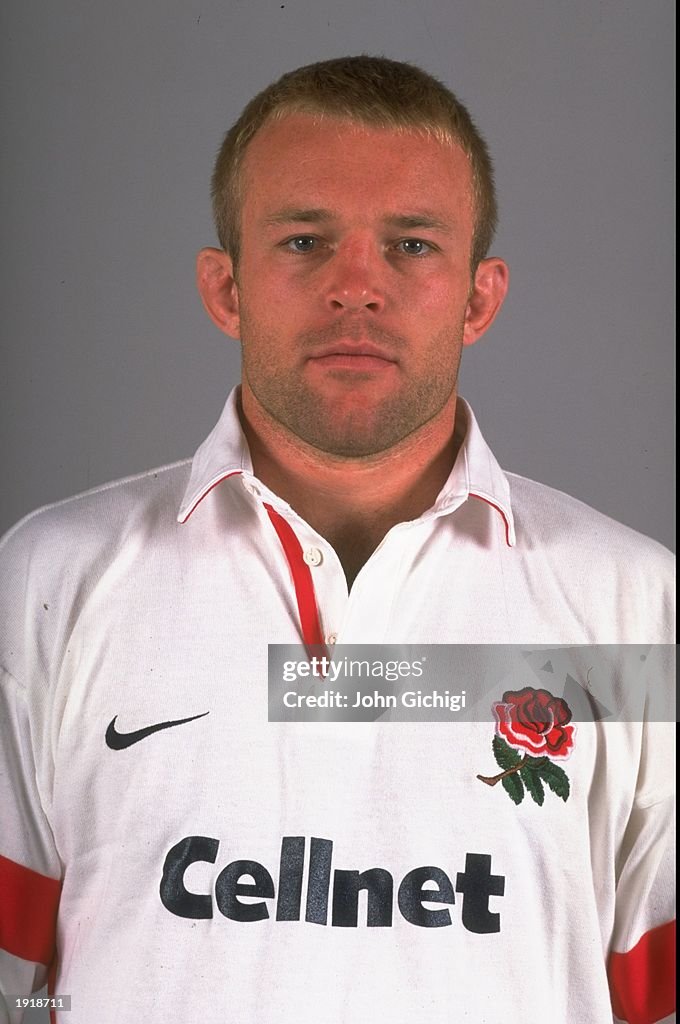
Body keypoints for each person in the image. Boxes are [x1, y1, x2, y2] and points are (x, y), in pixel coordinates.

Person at [0, 56, 674, 1024]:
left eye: (411, 244)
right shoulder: (51, 577)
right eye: (305, 240)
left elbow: (652, 992)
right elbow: (11, 981)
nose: (355, 287)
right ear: (226, 288)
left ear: (478, 299)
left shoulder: (632, 605)